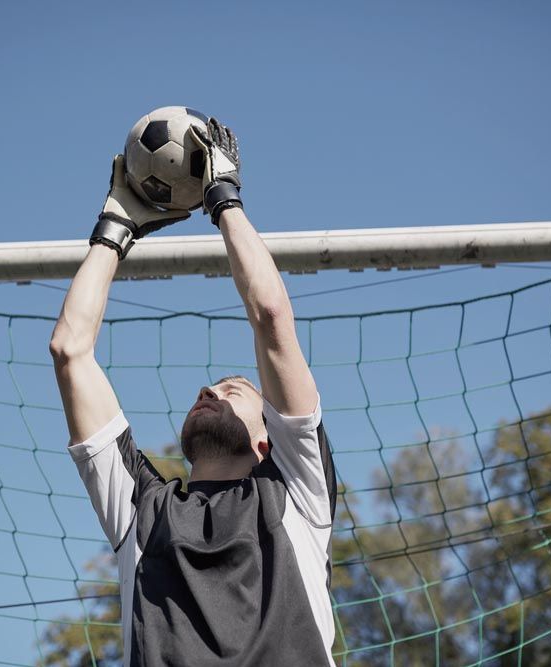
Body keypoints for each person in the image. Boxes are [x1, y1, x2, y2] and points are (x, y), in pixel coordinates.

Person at [49, 118, 337, 666]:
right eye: (213, 385)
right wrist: (115, 225)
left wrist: (223, 199)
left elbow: (271, 317)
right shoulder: (141, 508)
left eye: (235, 389)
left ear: (267, 441)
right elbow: (69, 350)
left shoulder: (298, 490)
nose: (210, 388)